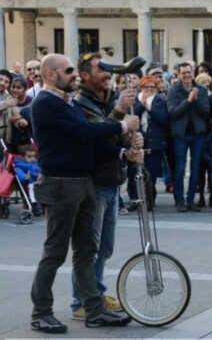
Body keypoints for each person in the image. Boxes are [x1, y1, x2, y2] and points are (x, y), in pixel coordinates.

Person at [30, 54, 139, 333]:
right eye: (68, 71)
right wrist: (123, 125)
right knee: (55, 252)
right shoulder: (45, 103)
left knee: (86, 250)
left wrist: (124, 151)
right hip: (60, 184)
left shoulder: (67, 101)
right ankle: (41, 312)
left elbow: (90, 141)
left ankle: (93, 310)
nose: (74, 76)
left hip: (82, 182)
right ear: (51, 74)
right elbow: (84, 130)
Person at [71, 52, 142, 321]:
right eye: (101, 69)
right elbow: (96, 135)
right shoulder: (80, 103)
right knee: (89, 246)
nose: (107, 73)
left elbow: (115, 137)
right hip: (92, 181)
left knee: (106, 247)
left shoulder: (108, 97)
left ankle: (96, 292)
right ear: (85, 75)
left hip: (112, 179)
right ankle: (81, 300)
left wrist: (130, 146)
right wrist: (120, 112)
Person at [167, 62, 211, 212]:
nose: (186, 75)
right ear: (179, 74)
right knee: (179, 168)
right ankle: (179, 200)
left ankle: (191, 199)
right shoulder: (173, 90)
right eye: (183, 73)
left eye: (188, 72)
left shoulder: (202, 89)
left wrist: (196, 98)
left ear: (193, 73)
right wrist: (188, 100)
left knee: (195, 168)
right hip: (181, 135)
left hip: (198, 134)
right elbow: (173, 113)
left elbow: (206, 111)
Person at [133, 75, 169, 210]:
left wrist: (149, 108)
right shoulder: (136, 99)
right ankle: (138, 199)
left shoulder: (160, 100)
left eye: (152, 87)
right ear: (141, 87)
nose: (149, 90)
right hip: (139, 140)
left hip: (155, 141)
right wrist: (142, 105)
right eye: (146, 87)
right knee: (137, 172)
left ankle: (150, 200)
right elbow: (133, 115)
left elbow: (163, 119)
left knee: (151, 174)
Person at [14, 144, 41, 216]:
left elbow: (39, 170)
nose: (32, 159)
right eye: (29, 157)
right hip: (27, 183)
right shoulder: (19, 166)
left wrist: (39, 174)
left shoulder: (35, 163)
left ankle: (39, 204)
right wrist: (25, 176)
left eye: (33, 156)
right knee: (32, 190)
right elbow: (19, 173)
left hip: (37, 182)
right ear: (22, 157)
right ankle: (34, 205)